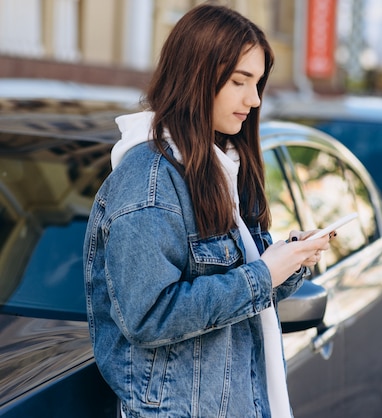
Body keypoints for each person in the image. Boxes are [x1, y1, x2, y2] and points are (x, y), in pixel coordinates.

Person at [83, 4, 330, 417]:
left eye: (258, 84)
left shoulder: (222, 167)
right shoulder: (150, 182)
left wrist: (289, 260)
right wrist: (264, 274)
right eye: (240, 81)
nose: (253, 99)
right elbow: (149, 316)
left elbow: (239, 295)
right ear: (197, 75)